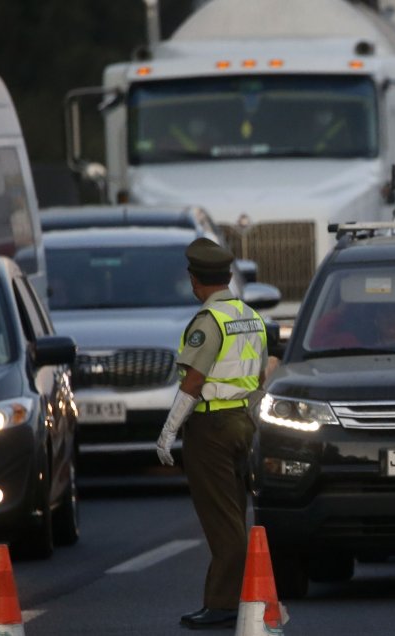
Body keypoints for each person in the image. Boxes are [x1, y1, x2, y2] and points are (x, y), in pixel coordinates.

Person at [155, 237, 269, 630]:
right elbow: (259, 378)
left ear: (194, 279)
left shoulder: (209, 321)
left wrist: (168, 432)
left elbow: (193, 381)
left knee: (221, 520)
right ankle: (238, 596)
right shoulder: (250, 317)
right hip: (242, 422)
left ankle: (223, 602)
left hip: (211, 427)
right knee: (235, 512)